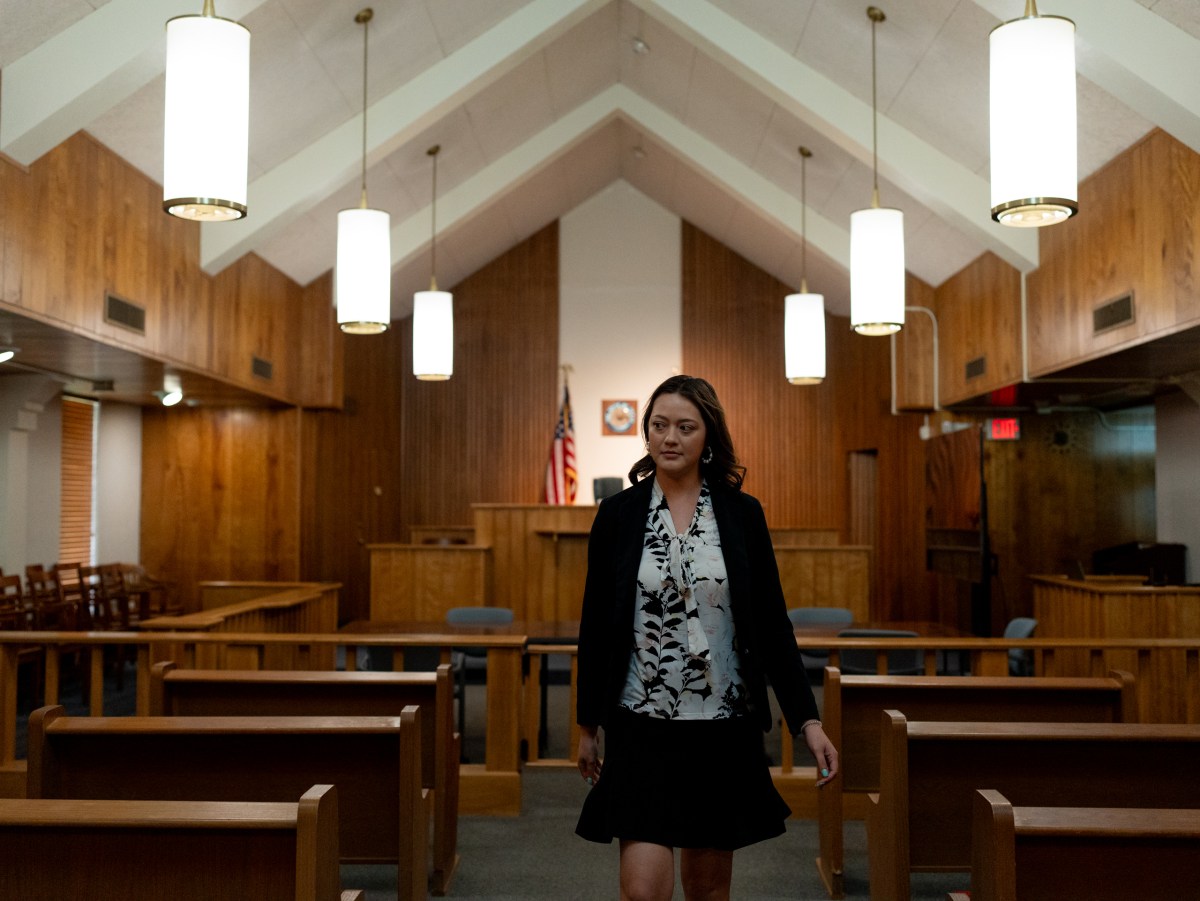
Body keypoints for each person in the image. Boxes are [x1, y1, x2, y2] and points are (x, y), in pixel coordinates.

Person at [575, 374, 839, 901]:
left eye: (685, 427)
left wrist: (806, 720)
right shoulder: (618, 516)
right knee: (643, 891)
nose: (670, 437)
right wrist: (587, 724)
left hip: (722, 727)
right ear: (647, 435)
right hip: (641, 723)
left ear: (708, 436)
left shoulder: (742, 515)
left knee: (707, 891)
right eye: (660, 425)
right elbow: (596, 624)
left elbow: (772, 624)